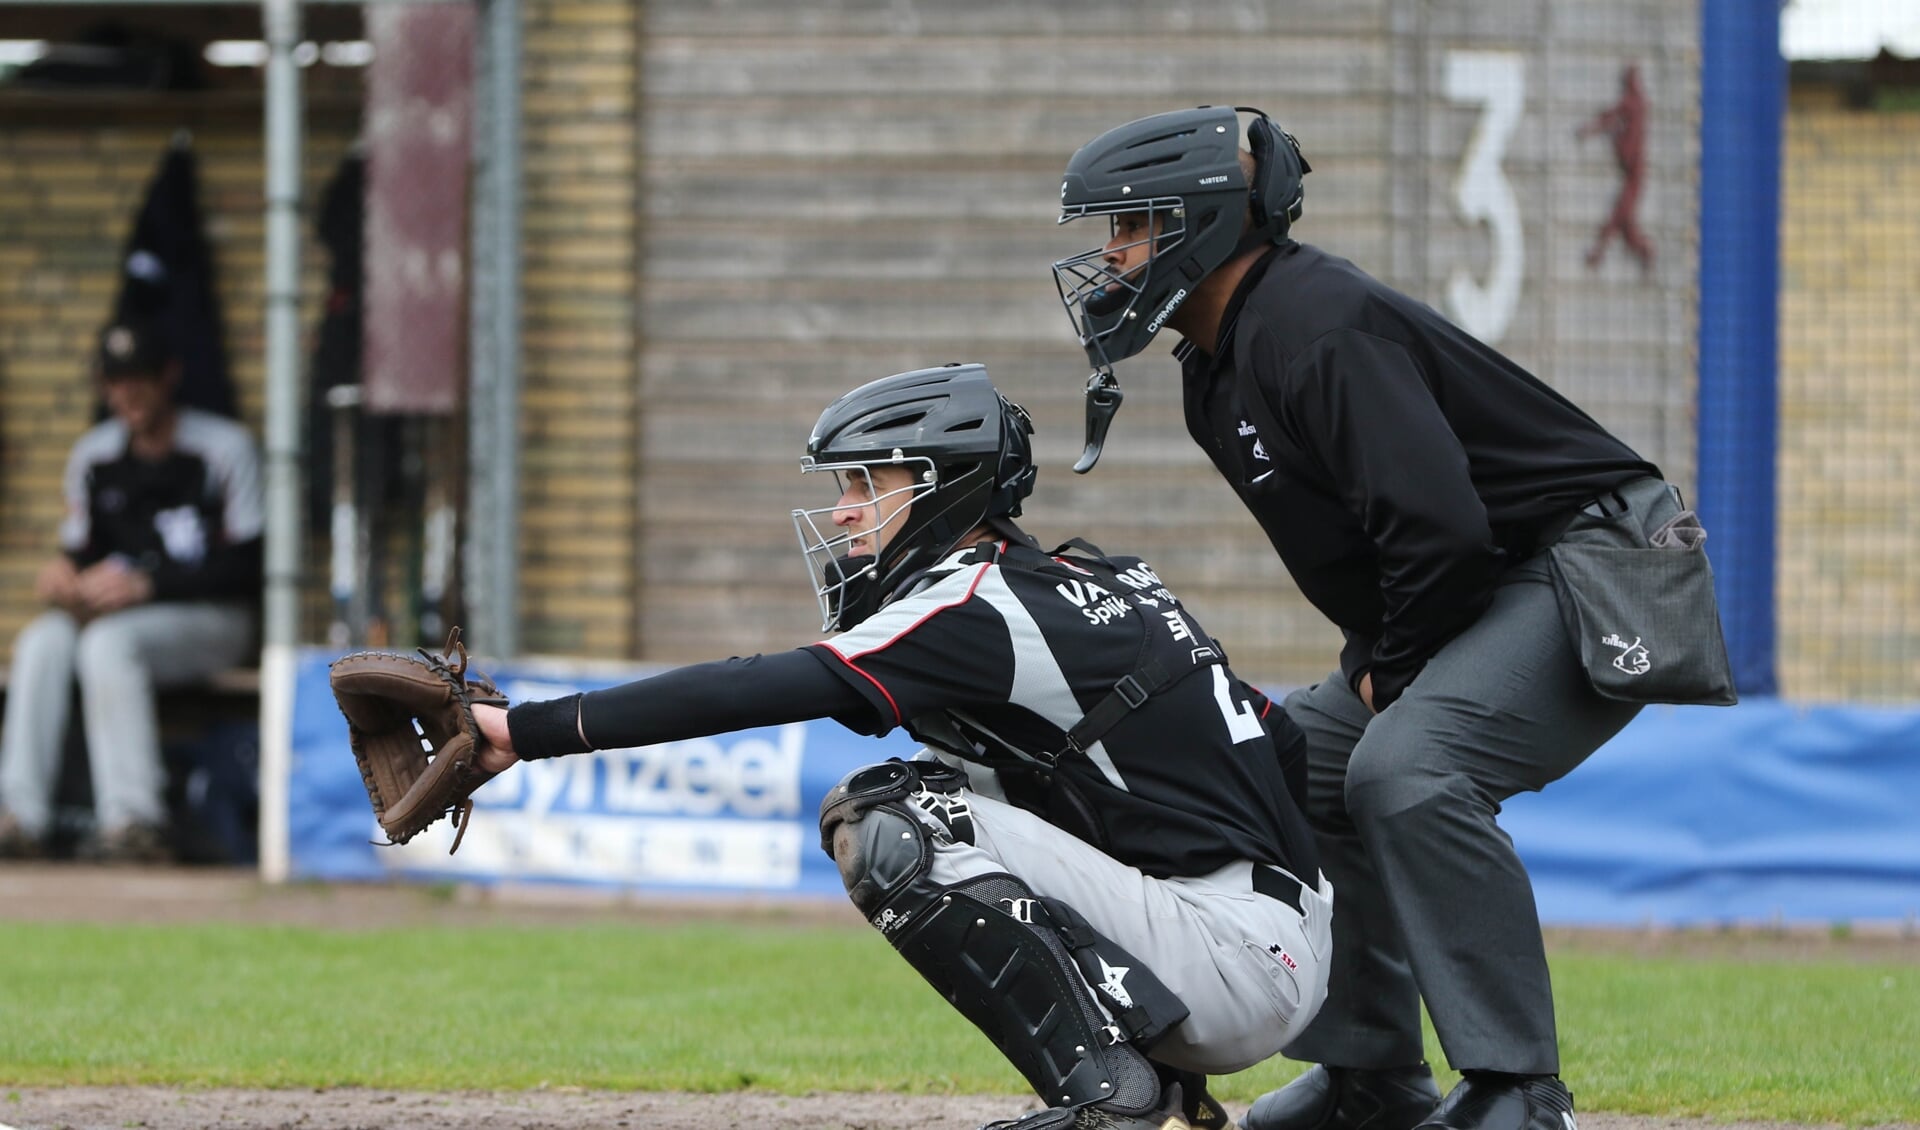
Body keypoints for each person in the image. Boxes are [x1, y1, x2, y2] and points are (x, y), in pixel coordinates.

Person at [1049, 106, 1728, 1130]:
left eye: (1130, 228)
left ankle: (1519, 1090)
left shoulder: (1311, 323)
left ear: (1199, 220)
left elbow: (1441, 530)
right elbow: (1372, 541)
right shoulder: (1216, 366)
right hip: (1495, 575)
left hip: (1595, 562)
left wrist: (1393, 665)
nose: (1110, 257)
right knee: (1291, 763)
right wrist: (1377, 652)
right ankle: (1371, 1078)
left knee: (1409, 769)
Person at [469, 363, 1332, 1130]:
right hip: (1272, 943)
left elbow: (758, 686)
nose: (844, 510)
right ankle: (1165, 1090)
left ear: (945, 487)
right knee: (956, 778)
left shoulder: (975, 603)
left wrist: (525, 730)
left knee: (892, 816)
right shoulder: (1094, 579)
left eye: (866, 481)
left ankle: (1111, 1100)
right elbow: (1280, 738)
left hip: (1230, 960)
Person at [0, 320, 262, 863]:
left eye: (140, 377)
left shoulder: (223, 447)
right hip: (124, 622)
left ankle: (135, 822)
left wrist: (148, 584)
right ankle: (20, 817)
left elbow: (249, 566)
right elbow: (82, 550)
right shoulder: (94, 456)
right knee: (43, 640)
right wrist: (63, 577)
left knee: (108, 643)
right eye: (116, 381)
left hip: (213, 618)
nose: (128, 393)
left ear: (169, 376)